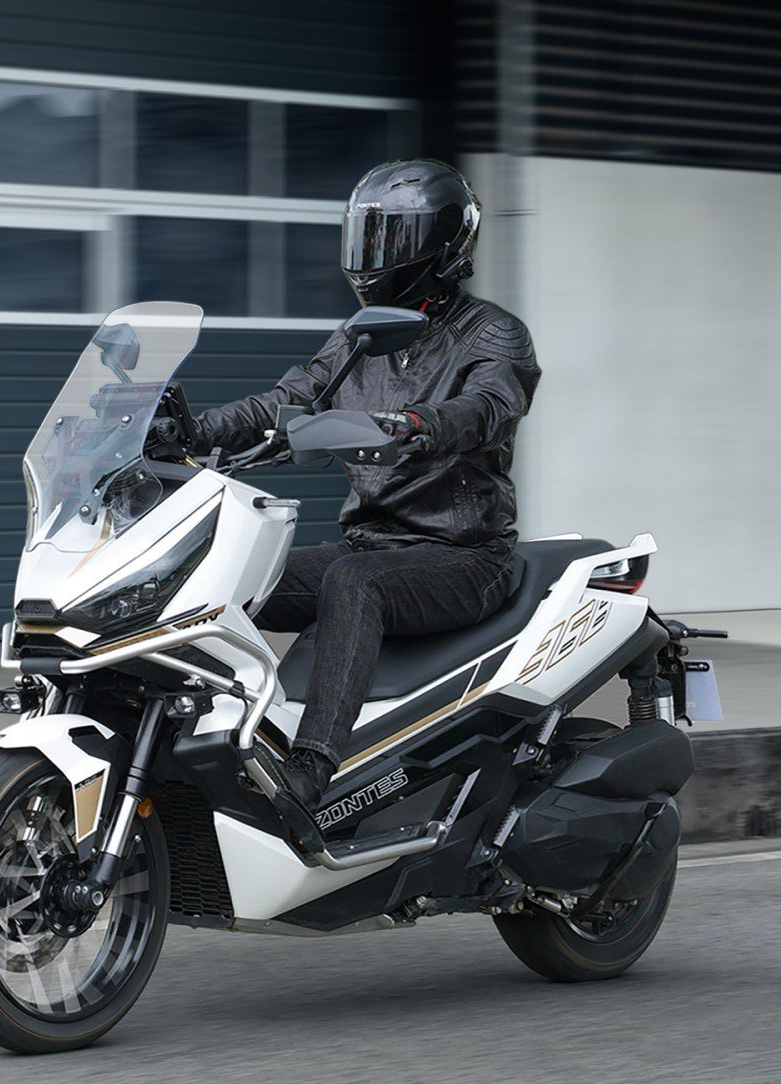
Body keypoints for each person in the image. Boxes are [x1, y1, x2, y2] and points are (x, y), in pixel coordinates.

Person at [184, 158, 540, 815]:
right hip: (373, 545)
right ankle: (195, 744)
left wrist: (416, 425)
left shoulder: (494, 334)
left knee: (354, 584)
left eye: (393, 239)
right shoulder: (362, 338)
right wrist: (187, 430)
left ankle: (311, 772)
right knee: (214, 578)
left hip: (464, 556)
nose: (373, 257)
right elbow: (283, 402)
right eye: (366, 237)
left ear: (440, 245)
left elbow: (488, 408)